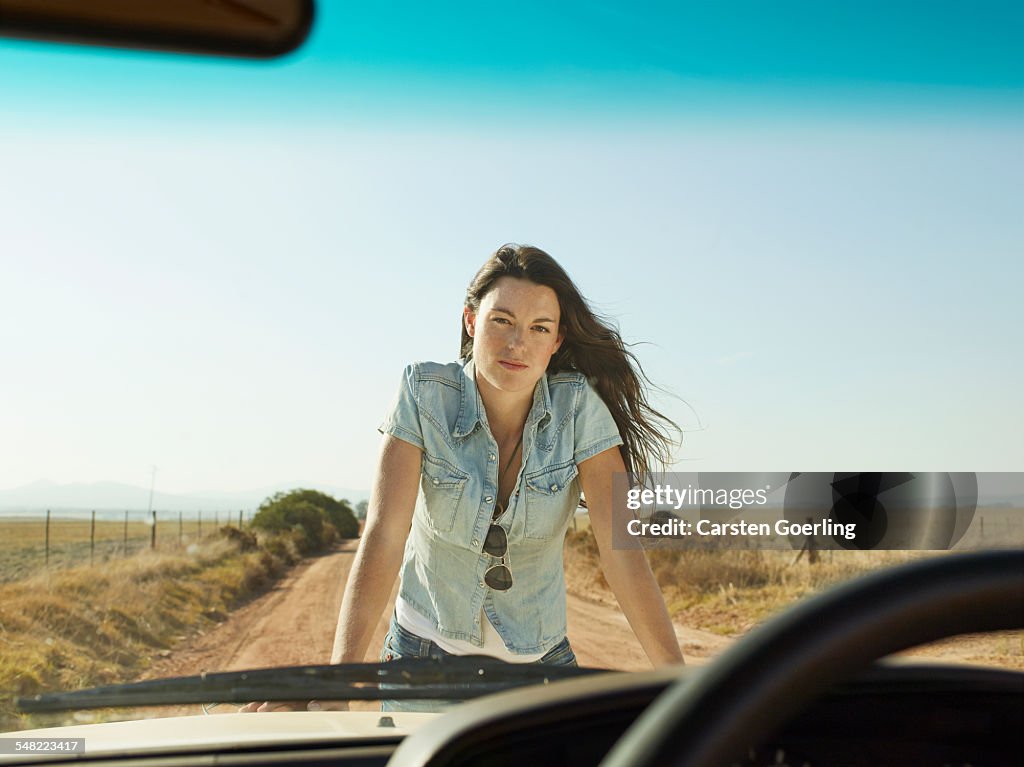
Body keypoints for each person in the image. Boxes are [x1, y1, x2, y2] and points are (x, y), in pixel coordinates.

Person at [243, 243, 684, 713]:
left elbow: (622, 552)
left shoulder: (579, 410)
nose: (518, 344)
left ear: (556, 342)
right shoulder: (423, 394)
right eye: (502, 321)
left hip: (542, 671)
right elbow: (386, 534)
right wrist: (340, 683)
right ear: (472, 321)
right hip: (424, 665)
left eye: (539, 328)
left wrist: (679, 684)